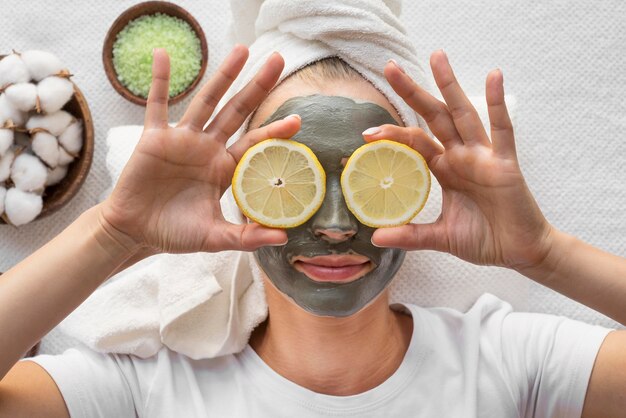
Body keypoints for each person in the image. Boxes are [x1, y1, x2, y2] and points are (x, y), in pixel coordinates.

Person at [0, 43, 625, 417]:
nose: (331, 227)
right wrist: (113, 234)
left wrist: (544, 254)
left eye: (366, 181)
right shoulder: (146, 388)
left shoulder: (510, 362)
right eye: (293, 184)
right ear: (241, 197)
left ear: (411, 192)